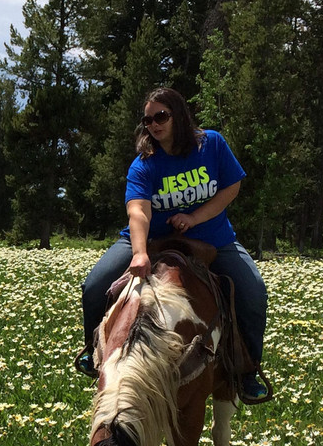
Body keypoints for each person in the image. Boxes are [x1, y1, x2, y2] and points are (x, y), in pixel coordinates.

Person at [76, 86, 271, 403]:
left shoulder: (212, 144)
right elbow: (138, 211)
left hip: (213, 239)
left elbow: (231, 186)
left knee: (253, 291)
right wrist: (140, 253)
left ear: (179, 115)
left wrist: (195, 218)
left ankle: (247, 371)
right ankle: (95, 354)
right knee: (95, 286)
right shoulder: (144, 164)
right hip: (152, 240)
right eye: (148, 119)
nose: (153, 124)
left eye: (161, 116)